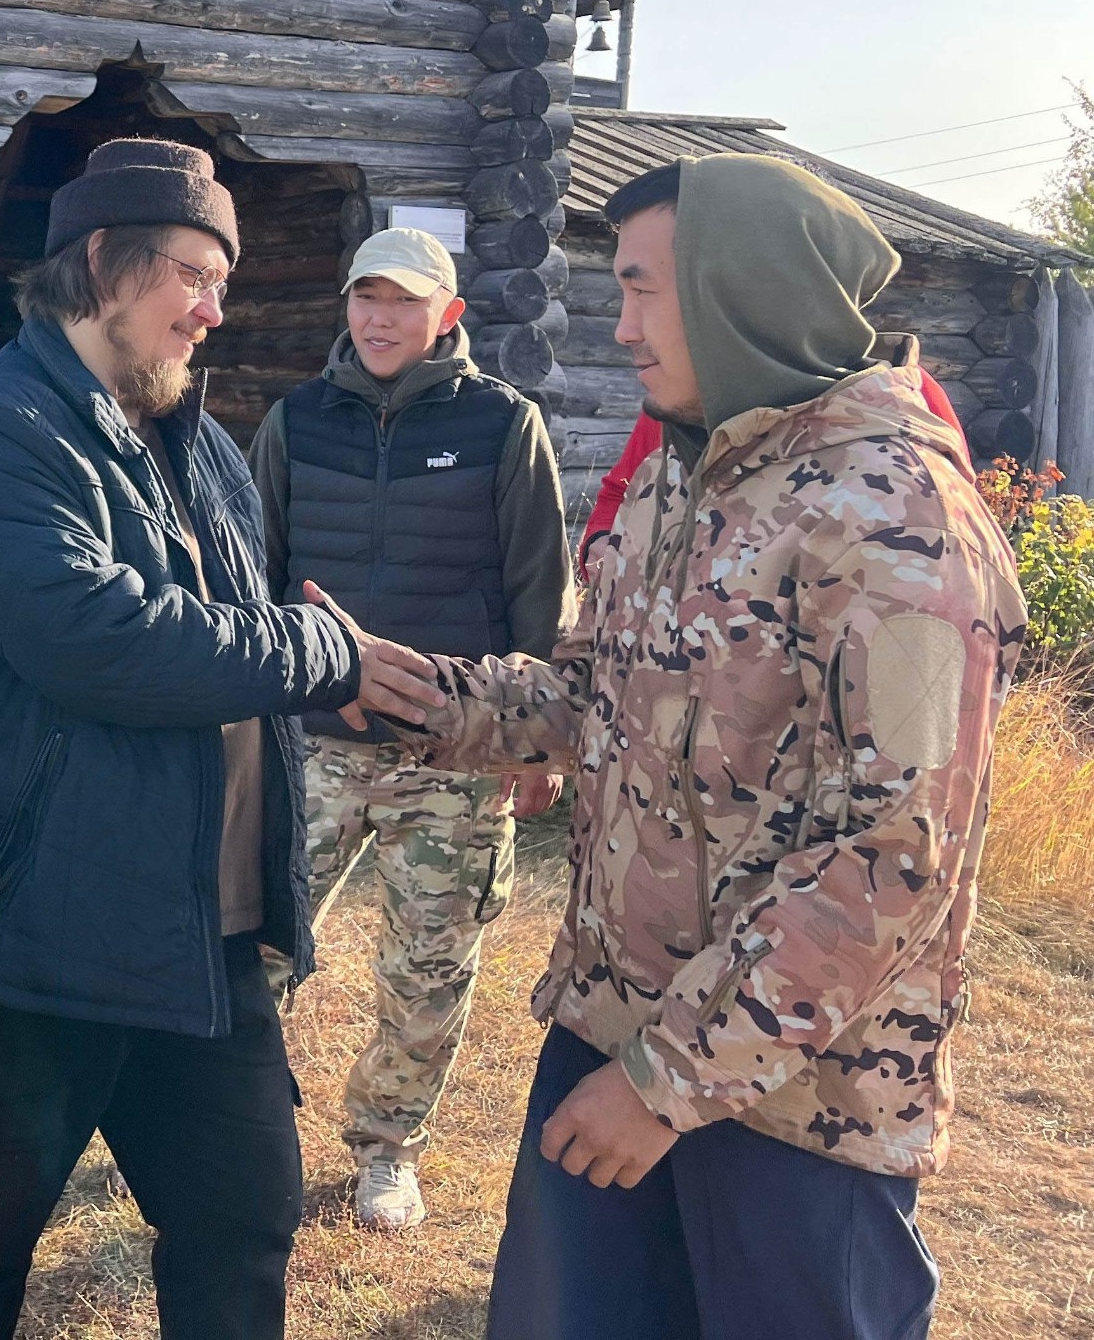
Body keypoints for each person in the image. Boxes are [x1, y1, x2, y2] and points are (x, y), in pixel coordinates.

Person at [334, 155, 1024, 1340]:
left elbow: (894, 853)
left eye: (643, 289)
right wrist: (420, 696)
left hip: (790, 1104)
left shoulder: (898, 516)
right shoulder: (674, 472)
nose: (620, 328)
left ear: (737, 289)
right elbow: (592, 695)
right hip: (611, 1033)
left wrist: (667, 1083)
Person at [0, 137, 406, 1340]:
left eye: (222, 281)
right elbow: (101, 640)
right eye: (191, 275)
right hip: (32, 929)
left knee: (244, 1226)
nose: (213, 310)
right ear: (99, 266)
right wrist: (321, 653)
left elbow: (236, 636)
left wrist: (319, 668)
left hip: (200, 935)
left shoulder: (204, 444)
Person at [247, 226, 573, 1233]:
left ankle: (387, 1148)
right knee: (251, 944)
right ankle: (227, 1125)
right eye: (366, 298)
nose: (380, 320)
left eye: (404, 302)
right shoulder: (296, 421)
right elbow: (254, 576)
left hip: (454, 755)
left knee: (429, 964)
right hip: (311, 742)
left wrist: (537, 744)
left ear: (449, 314)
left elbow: (538, 584)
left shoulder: (502, 424)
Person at [577, 337, 969, 576]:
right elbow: (616, 495)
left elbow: (958, 540)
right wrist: (601, 544)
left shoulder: (902, 395)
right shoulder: (683, 399)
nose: (627, 330)